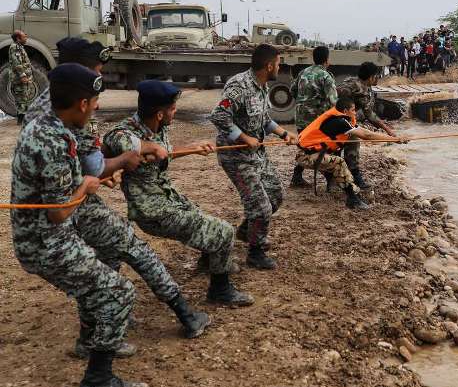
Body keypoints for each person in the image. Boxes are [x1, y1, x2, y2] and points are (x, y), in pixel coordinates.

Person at [23, 37, 210, 352]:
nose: (99, 77)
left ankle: (98, 327)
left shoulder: (42, 107)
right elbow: (93, 167)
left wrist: (94, 174)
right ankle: (185, 315)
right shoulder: (69, 114)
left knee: (105, 257)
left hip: (64, 201)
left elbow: (74, 166)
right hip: (68, 207)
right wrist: (121, 162)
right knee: (133, 247)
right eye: (96, 70)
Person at [11, 64, 149, 387]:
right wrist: (85, 187)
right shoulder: (53, 141)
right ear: (83, 104)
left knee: (95, 285)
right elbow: (58, 212)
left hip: (49, 236)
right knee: (119, 292)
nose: (96, 108)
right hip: (46, 243)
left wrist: (88, 180)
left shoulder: (47, 125)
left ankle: (89, 341)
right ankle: (98, 382)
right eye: (95, 102)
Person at [103, 81, 254, 307]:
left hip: (168, 197)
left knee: (201, 216)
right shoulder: (124, 132)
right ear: (159, 114)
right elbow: (113, 139)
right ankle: (220, 291)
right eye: (172, 109)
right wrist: (149, 147)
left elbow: (166, 152)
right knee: (224, 232)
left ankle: (209, 260)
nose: (175, 112)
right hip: (153, 211)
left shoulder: (159, 126)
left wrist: (193, 147)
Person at [210, 44, 297, 270]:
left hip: (256, 154)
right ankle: (255, 253)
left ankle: (247, 231)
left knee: (275, 196)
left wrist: (284, 133)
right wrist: (243, 137)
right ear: (269, 66)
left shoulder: (262, 86)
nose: (279, 68)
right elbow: (218, 116)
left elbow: (264, 120)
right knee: (261, 207)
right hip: (235, 156)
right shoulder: (239, 86)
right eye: (278, 64)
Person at [296, 97, 407, 209]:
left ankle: (343, 188)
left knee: (337, 162)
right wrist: (395, 140)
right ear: (345, 111)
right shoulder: (339, 121)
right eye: (353, 110)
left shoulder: (340, 118)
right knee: (339, 163)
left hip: (313, 153)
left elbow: (365, 132)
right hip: (305, 156)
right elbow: (367, 136)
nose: (355, 113)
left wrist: (393, 138)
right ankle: (353, 199)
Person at [336, 62, 401, 189]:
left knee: (335, 148)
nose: (378, 78)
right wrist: (388, 130)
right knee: (353, 144)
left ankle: (332, 179)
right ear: (371, 77)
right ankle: (356, 177)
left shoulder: (351, 81)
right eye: (377, 76)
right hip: (341, 120)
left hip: (333, 118)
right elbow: (370, 115)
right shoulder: (361, 89)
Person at [289, 45, 338, 187]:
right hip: (317, 121)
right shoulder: (325, 76)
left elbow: (292, 91)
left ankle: (297, 177)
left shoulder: (303, 72)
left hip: (301, 119)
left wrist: (304, 103)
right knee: (325, 148)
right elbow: (334, 101)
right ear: (326, 60)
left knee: (304, 147)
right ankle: (330, 179)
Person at [9, 30, 37, 125]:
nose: (26, 37)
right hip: (19, 79)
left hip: (24, 78)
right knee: (22, 98)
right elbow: (17, 63)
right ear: (18, 38)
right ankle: (21, 120)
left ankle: (23, 119)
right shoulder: (14, 47)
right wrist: (23, 75)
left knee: (25, 97)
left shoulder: (20, 47)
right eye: (24, 36)